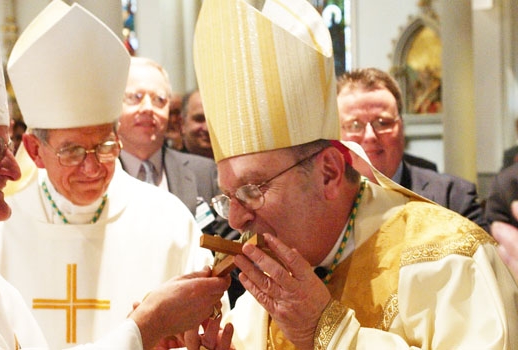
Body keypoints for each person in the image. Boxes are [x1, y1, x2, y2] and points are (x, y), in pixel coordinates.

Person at [193, 0, 518, 348]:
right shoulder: (273, 276)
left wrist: (326, 331)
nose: (236, 220)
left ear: (329, 173)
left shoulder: (452, 261)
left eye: (252, 190)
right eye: (228, 197)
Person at [0, 0, 232, 349]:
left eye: (105, 146)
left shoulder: (168, 220)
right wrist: (144, 329)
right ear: (36, 150)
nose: (93, 166)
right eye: (72, 151)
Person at [336, 67, 487, 230]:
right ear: (336, 132)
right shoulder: (317, 204)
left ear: (401, 127)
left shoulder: (453, 197)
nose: (370, 136)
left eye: (382, 122)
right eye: (354, 125)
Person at [118, 56, 236, 240]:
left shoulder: (205, 173)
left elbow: (231, 245)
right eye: (136, 97)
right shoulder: (98, 174)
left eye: (159, 99)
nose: (148, 108)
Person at [180, 89, 214, 159]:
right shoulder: (167, 167)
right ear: (182, 124)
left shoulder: (237, 167)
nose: (207, 128)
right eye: (199, 119)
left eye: (214, 121)